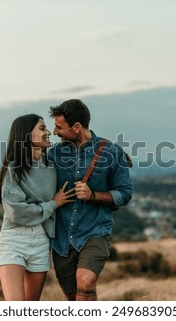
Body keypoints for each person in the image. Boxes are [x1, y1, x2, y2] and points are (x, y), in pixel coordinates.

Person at [48, 99, 133, 301]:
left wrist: (93, 195)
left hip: (95, 231)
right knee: (74, 296)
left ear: (76, 127)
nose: (54, 132)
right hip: (61, 240)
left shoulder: (112, 152)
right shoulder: (53, 155)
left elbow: (125, 194)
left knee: (85, 281)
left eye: (59, 127)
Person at [0, 114, 75, 301]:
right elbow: (17, 212)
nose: (48, 133)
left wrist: (114, 154)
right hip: (14, 240)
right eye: (41, 128)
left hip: (41, 241)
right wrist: (53, 204)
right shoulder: (13, 169)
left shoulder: (52, 164)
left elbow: (83, 152)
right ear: (26, 135)